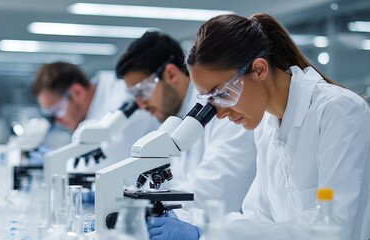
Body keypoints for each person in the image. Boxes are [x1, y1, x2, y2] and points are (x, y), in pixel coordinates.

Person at [147, 13, 370, 240]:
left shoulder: (338, 111)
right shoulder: (267, 128)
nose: (220, 113)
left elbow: (330, 227)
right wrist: (189, 221)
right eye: (211, 101)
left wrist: (206, 233)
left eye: (224, 94)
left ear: (260, 69)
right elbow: (257, 218)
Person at [115, 31, 257, 222]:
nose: (141, 104)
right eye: (135, 95)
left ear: (171, 74)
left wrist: (160, 213)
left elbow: (217, 193)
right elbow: (175, 184)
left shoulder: (228, 112)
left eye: (143, 90)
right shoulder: (176, 119)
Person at [32, 62, 159, 172]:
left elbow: (108, 161)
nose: (57, 120)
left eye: (57, 110)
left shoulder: (121, 98)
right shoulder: (93, 110)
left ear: (77, 92)